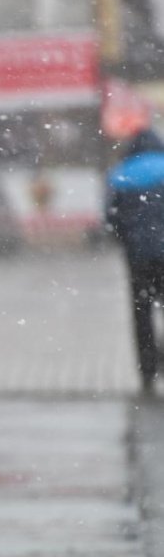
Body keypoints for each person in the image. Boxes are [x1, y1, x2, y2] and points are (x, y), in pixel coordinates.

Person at [106, 128, 164, 395]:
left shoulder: (120, 174)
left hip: (138, 258)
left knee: (142, 314)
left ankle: (148, 370)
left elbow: (110, 218)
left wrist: (128, 240)